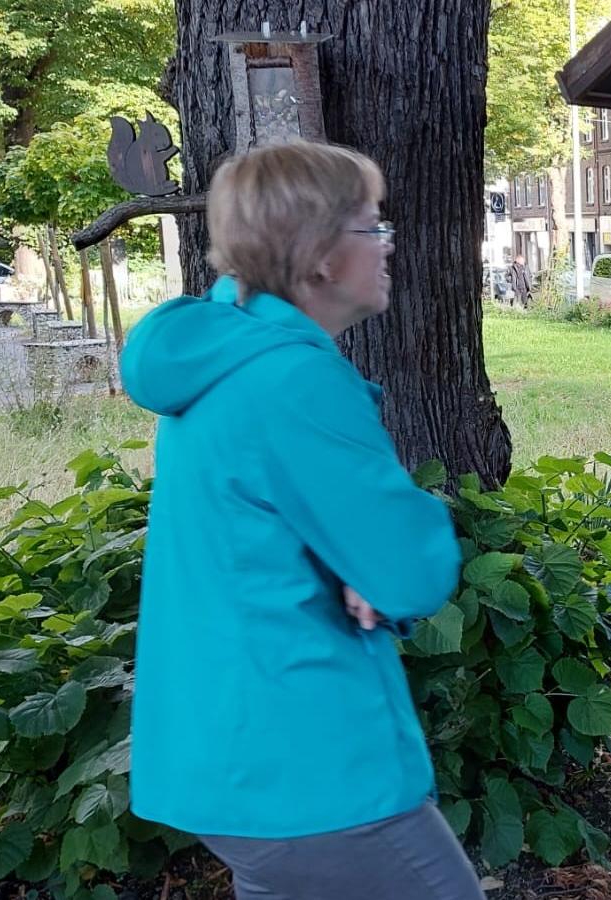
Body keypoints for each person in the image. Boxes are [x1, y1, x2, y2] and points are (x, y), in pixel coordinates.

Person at [121, 141, 482, 900]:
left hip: (231, 755)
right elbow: (409, 568)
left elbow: (281, 529)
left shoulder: (221, 357)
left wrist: (363, 563)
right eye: (369, 225)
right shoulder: (294, 378)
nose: (387, 245)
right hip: (306, 761)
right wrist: (377, 564)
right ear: (319, 255)